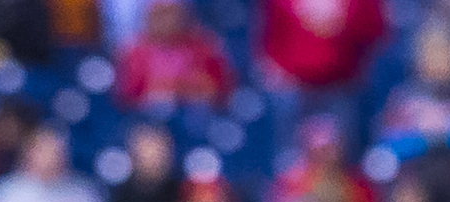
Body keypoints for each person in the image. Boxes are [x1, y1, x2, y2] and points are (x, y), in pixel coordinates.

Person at [258, 0, 388, 138]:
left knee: (342, 151)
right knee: (289, 153)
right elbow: (266, 34)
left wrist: (340, 18)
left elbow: (374, 34)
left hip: (342, 89)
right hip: (291, 90)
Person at [114, 0, 236, 108]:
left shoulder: (205, 47)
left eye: (170, 13)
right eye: (160, 14)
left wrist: (181, 89)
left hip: (197, 117)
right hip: (149, 121)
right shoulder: (134, 53)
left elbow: (218, 91)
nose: (166, 20)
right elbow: (128, 98)